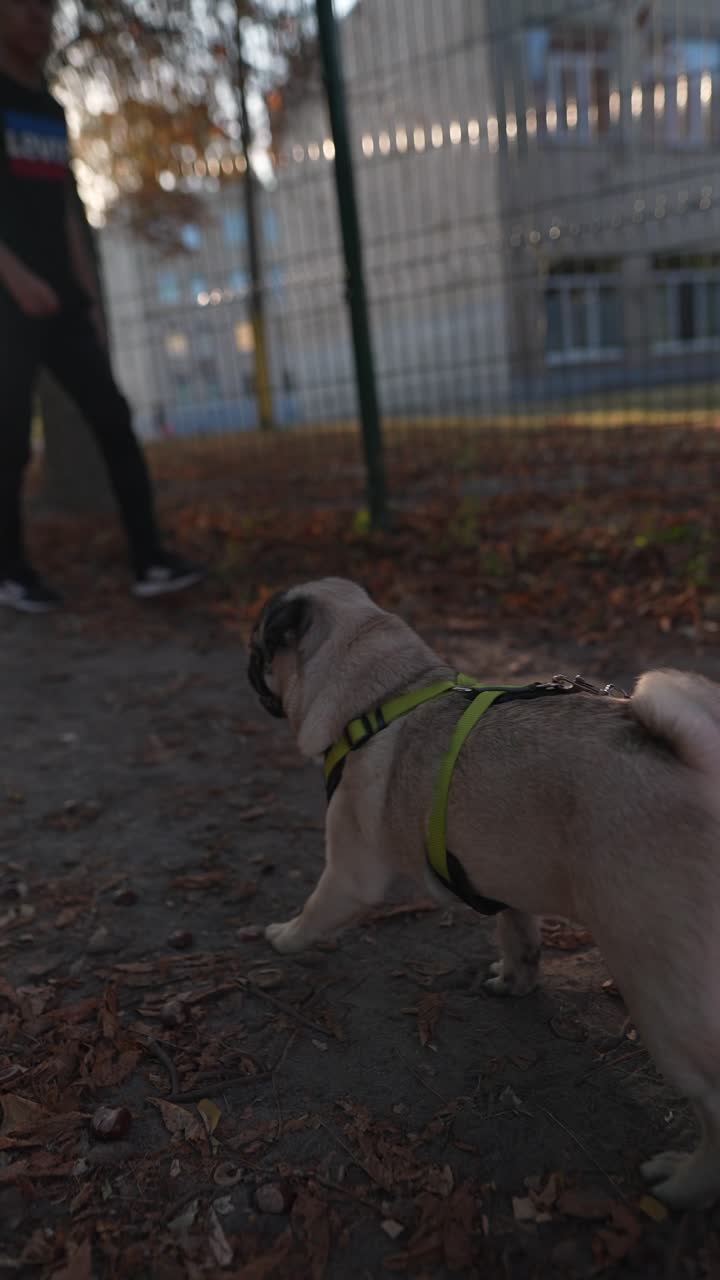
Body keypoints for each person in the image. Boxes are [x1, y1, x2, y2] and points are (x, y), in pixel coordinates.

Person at [0, 0, 205, 613]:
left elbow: (66, 212)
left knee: (114, 419)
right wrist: (16, 279)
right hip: (7, 302)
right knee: (10, 443)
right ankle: (11, 573)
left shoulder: (51, 109)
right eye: (24, 10)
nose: (40, 20)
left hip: (62, 299)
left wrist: (85, 296)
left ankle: (150, 560)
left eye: (46, 11)